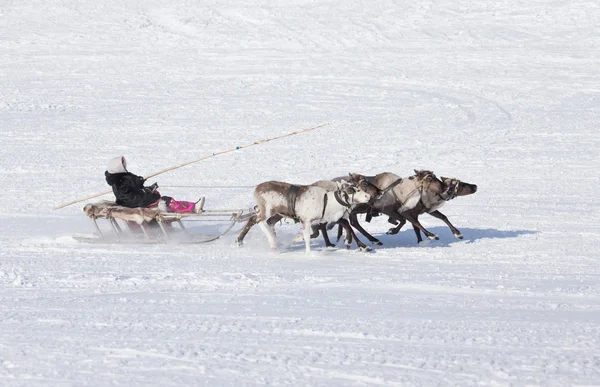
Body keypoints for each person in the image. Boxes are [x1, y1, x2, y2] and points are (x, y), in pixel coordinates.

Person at [105, 156, 204, 213]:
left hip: (133, 203)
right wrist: (148, 191)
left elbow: (133, 189)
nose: (125, 165)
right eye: (123, 164)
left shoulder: (120, 178)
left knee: (161, 199)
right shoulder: (121, 182)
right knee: (166, 201)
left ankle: (167, 226)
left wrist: (139, 182)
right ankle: (192, 208)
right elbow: (133, 197)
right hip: (135, 205)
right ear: (118, 167)